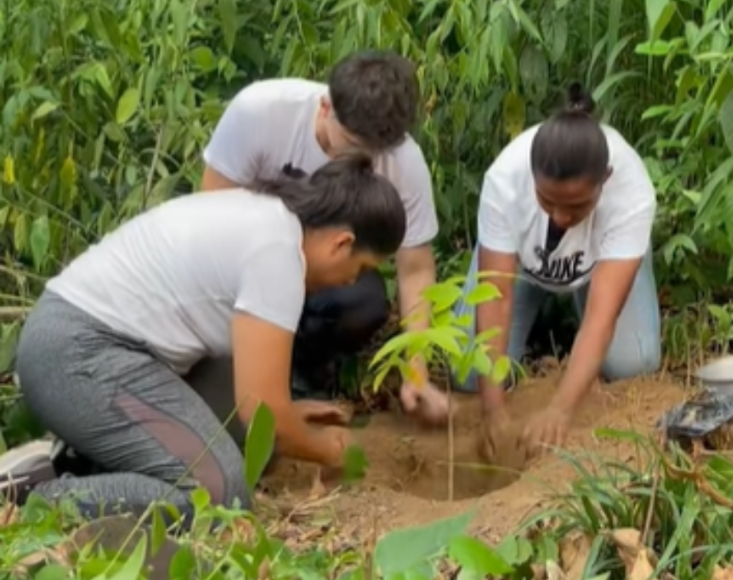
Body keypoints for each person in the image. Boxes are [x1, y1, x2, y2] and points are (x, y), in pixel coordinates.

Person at [0, 152, 404, 524]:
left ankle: (76, 463)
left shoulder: (269, 218)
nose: (351, 282)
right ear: (342, 243)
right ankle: (37, 498)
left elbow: (258, 410)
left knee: (246, 437)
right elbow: (264, 415)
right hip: (77, 354)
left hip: (99, 348)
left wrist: (290, 415)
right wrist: (329, 451)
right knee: (217, 494)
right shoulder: (277, 255)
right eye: (360, 268)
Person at [200, 49, 448, 424]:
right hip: (249, 266)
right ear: (325, 106)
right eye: (349, 143)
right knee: (227, 412)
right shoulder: (260, 113)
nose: (356, 158)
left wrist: (417, 372)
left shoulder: (403, 162)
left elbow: (415, 269)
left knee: (362, 301)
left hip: (324, 280)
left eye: (372, 153)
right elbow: (210, 219)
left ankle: (304, 379)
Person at [454, 84, 661, 459]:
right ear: (531, 177)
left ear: (605, 181)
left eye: (577, 206)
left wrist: (560, 409)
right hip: (521, 269)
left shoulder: (631, 190)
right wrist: (493, 409)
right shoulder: (505, 178)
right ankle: (543, 312)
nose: (561, 217)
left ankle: (562, 313)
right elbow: (496, 299)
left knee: (635, 363)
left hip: (597, 267)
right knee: (469, 373)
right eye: (547, 201)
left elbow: (602, 317)